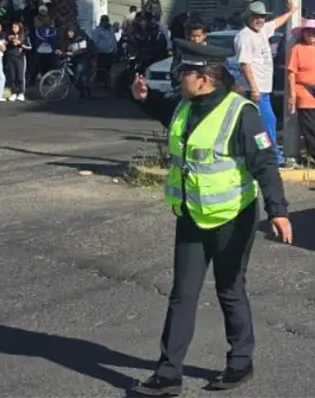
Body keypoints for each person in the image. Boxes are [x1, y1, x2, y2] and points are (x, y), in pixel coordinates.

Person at [126, 46, 291, 398]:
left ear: (204, 78)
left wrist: (278, 210)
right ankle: (168, 375)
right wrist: (145, 98)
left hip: (234, 217)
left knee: (230, 290)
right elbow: (167, 115)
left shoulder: (241, 113)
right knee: (182, 295)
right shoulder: (185, 106)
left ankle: (240, 362)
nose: (178, 78)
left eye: (184, 73)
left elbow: (264, 163)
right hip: (191, 216)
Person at [235, 0, 296, 168]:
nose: (260, 19)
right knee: (268, 122)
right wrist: (254, 89)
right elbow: (244, 64)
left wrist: (290, 13)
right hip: (255, 90)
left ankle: (262, 154)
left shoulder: (261, 31)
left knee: (260, 125)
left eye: (262, 16)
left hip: (263, 90)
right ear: (248, 17)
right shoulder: (244, 36)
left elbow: (276, 23)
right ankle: (274, 157)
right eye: (256, 16)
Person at [286, 19, 315, 168]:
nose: (311, 35)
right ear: (303, 33)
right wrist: (292, 93)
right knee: (310, 126)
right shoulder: (297, 49)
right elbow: (291, 72)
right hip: (304, 92)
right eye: (308, 31)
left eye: (314, 32)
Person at [56, 24, 94, 97]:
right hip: (73, 58)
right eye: (68, 31)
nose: (69, 33)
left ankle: (85, 88)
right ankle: (81, 91)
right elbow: (64, 46)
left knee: (77, 76)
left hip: (82, 59)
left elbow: (83, 50)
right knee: (72, 77)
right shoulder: (67, 39)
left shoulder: (81, 39)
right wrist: (59, 50)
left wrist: (73, 53)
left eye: (71, 32)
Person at [3, 21, 31, 101]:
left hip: (20, 58)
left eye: (15, 27)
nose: (13, 29)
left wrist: (20, 43)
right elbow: (4, 44)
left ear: (19, 28)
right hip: (10, 57)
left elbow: (29, 47)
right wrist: (8, 41)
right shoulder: (9, 35)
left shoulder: (24, 36)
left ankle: (21, 92)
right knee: (12, 76)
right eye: (12, 27)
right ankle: (14, 92)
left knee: (20, 76)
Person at [91, 15, 118, 89]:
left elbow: (113, 39)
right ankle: (100, 83)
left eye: (107, 20)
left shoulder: (111, 29)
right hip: (101, 53)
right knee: (101, 69)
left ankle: (106, 83)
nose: (106, 22)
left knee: (108, 68)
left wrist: (115, 48)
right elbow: (94, 42)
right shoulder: (97, 30)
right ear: (101, 21)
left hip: (110, 53)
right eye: (104, 21)